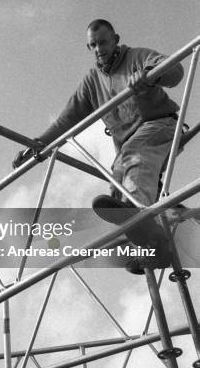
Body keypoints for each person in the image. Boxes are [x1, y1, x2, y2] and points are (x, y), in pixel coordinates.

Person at [13, 19, 184, 273]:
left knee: (134, 158)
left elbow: (176, 72)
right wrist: (38, 144)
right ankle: (157, 243)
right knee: (117, 187)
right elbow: (67, 119)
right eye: (92, 45)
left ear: (115, 39)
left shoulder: (137, 57)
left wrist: (149, 76)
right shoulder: (92, 81)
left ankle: (141, 218)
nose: (98, 49)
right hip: (128, 146)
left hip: (160, 126)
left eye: (103, 42)